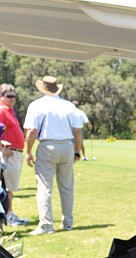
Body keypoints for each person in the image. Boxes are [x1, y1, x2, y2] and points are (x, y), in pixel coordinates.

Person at [23, 75, 84, 235]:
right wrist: (77, 151)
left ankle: (46, 225)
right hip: (67, 145)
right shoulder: (69, 106)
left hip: (47, 146)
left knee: (44, 187)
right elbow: (78, 132)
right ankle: (68, 222)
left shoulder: (37, 105)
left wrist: (28, 151)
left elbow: (32, 131)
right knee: (67, 187)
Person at [0, 84, 29, 225]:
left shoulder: (9, 111)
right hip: (8, 154)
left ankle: (9, 213)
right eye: (8, 96)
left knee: (10, 186)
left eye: (14, 96)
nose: (12, 99)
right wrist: (3, 149)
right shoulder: (2, 111)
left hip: (15, 152)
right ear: (1, 97)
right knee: (7, 187)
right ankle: (8, 215)